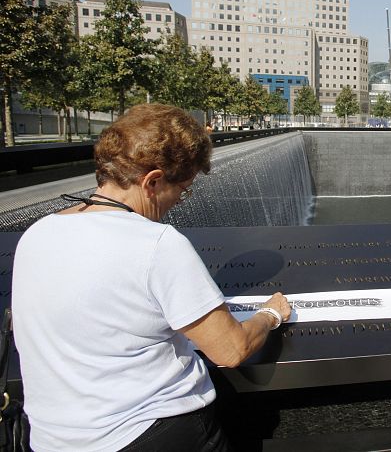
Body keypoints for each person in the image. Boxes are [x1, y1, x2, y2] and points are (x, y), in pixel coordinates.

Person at [12, 104, 291, 452]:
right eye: (183, 189)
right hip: (147, 432)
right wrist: (270, 315)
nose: (180, 201)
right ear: (153, 181)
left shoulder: (39, 233)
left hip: (52, 439)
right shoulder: (157, 244)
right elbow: (231, 350)